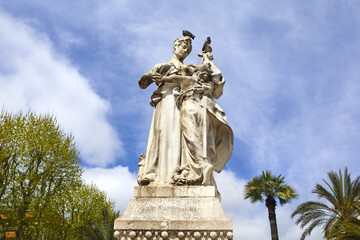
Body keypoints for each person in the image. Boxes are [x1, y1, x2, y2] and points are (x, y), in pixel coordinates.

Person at [161, 63, 233, 186]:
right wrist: (207, 59)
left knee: (191, 138)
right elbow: (217, 82)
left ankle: (202, 165)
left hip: (189, 107)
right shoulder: (205, 87)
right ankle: (189, 169)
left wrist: (156, 76)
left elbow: (165, 79)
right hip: (203, 111)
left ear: (197, 73)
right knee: (201, 139)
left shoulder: (187, 79)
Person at [137, 34, 194, 186]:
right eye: (183, 47)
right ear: (175, 46)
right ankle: (153, 174)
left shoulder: (188, 70)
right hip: (166, 101)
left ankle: (177, 172)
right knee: (161, 134)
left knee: (179, 137)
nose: (185, 51)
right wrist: (149, 76)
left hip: (182, 104)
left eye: (188, 50)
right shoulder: (163, 66)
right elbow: (142, 84)